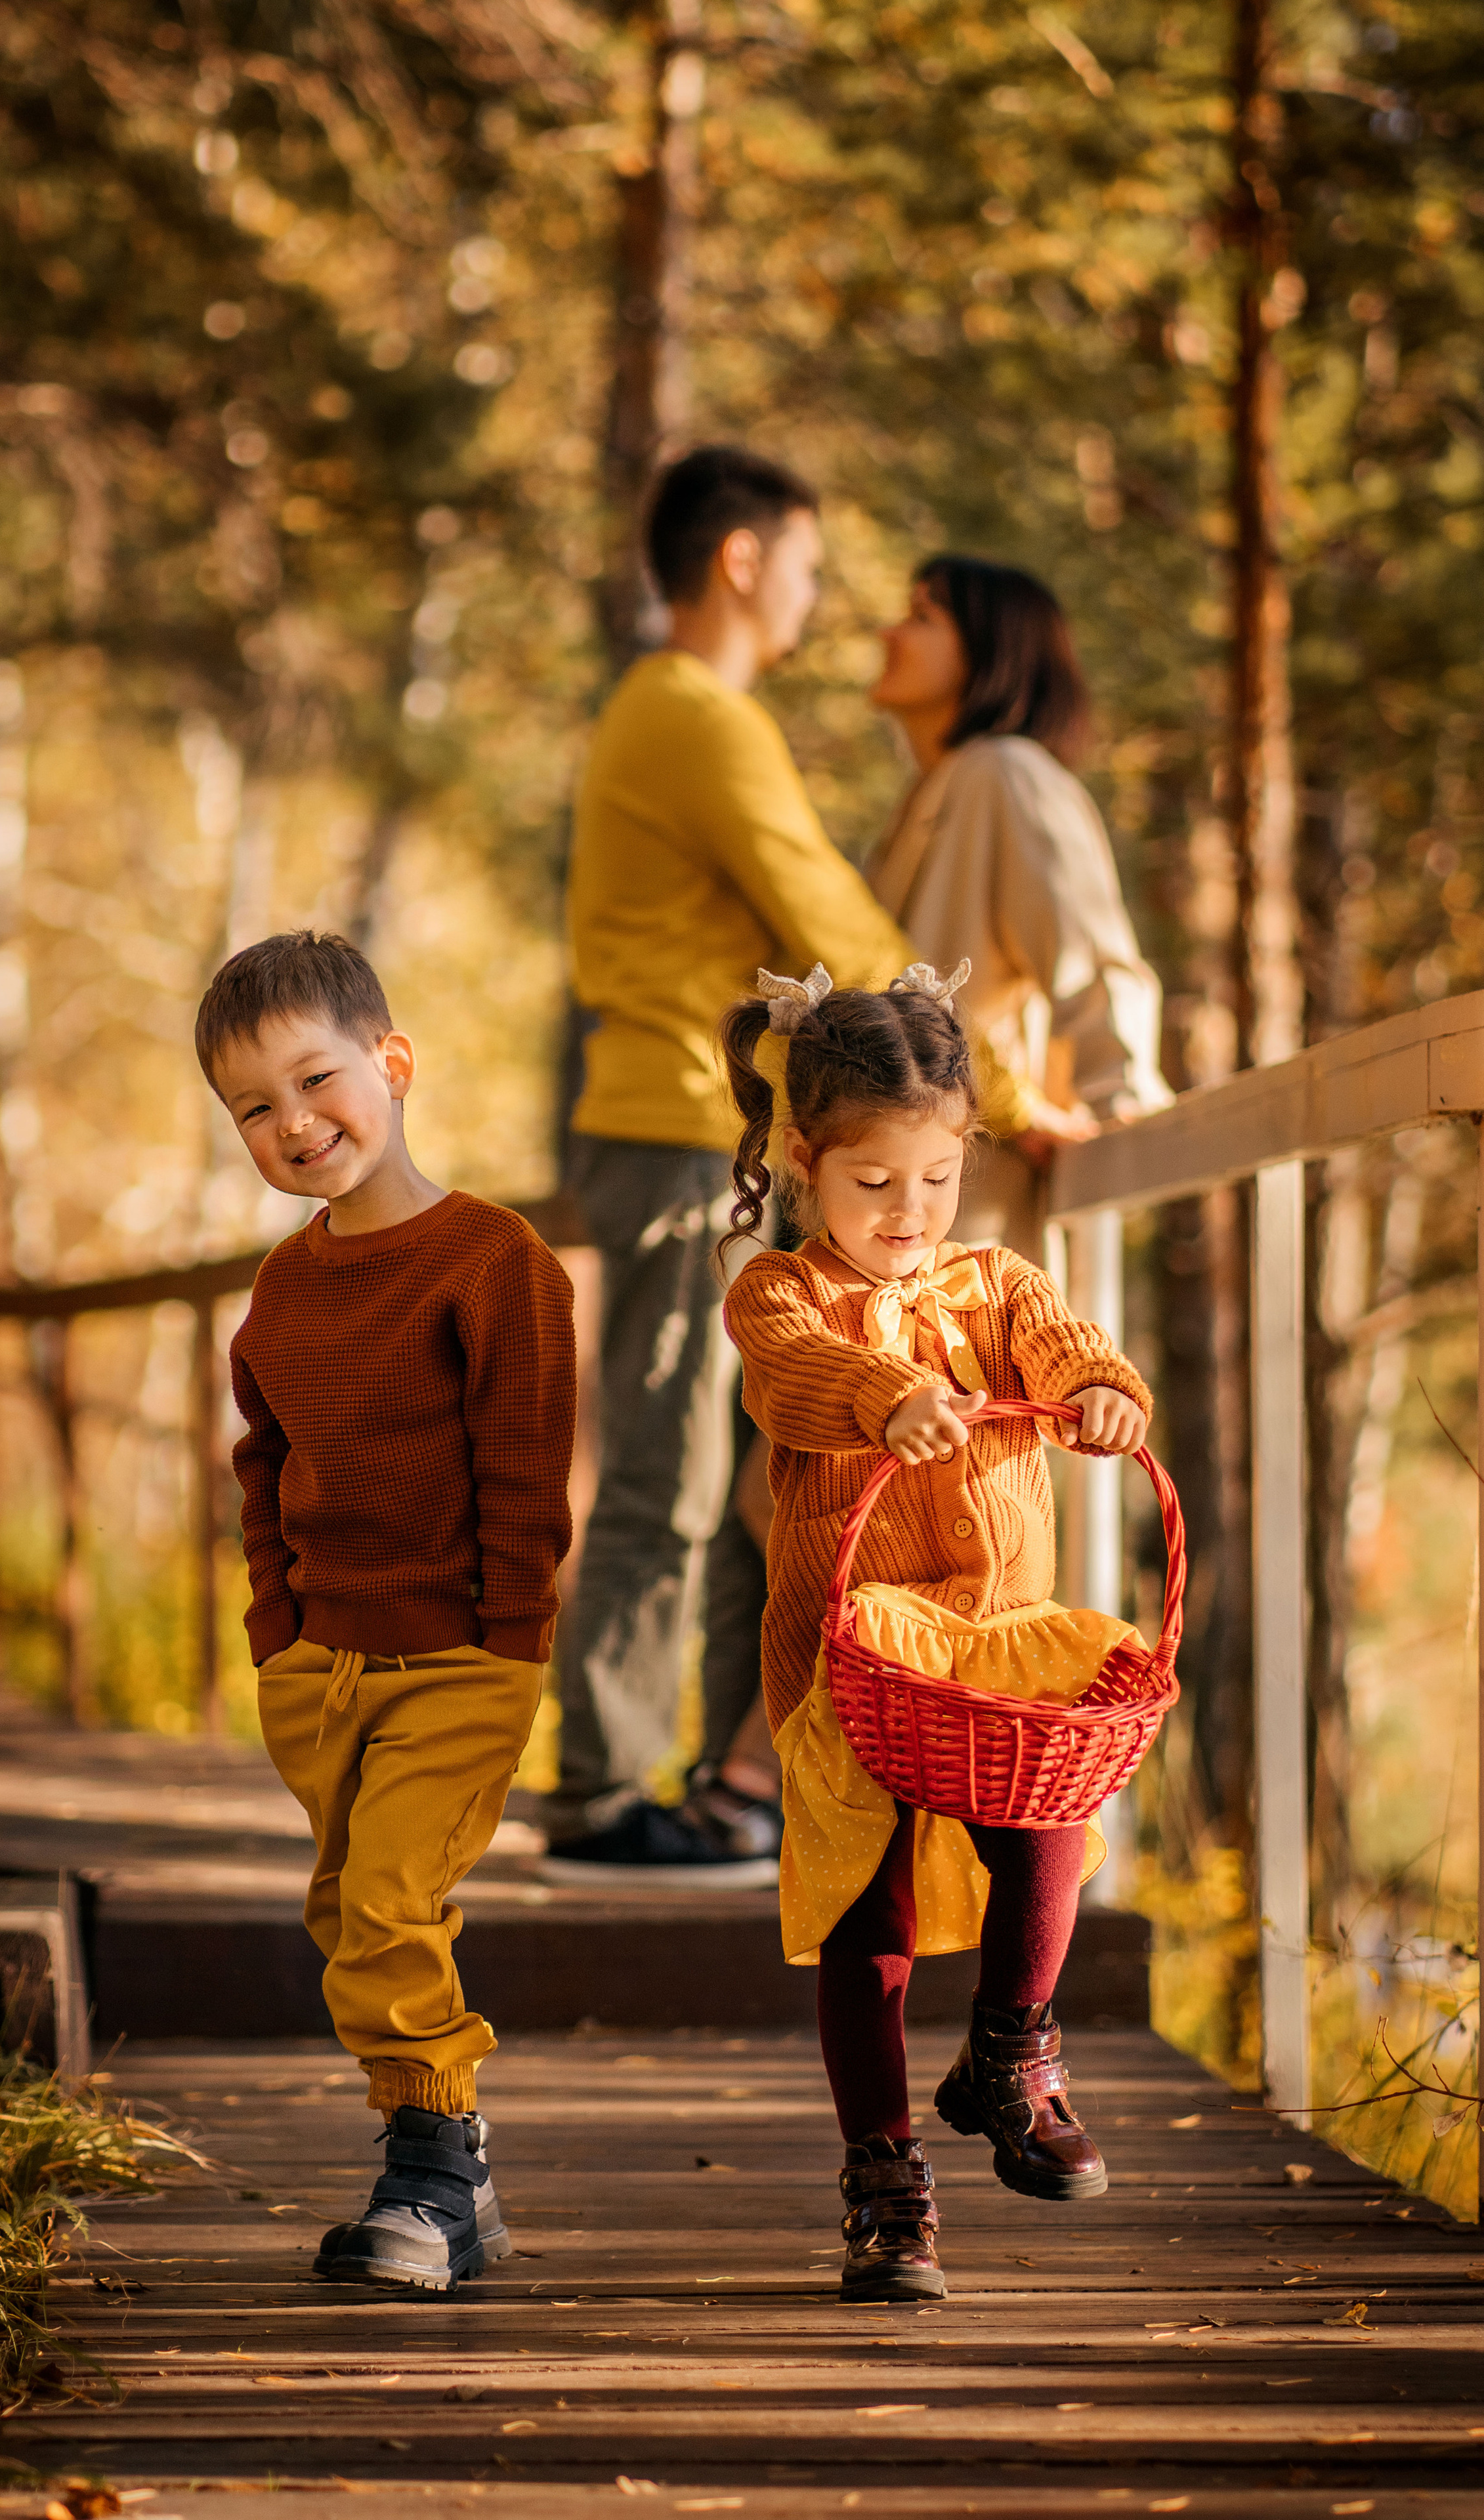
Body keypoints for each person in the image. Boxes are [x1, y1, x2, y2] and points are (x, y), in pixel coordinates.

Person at [546, 445, 954, 1885]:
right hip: (671, 1133)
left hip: (702, 1132)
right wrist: (971, 1073)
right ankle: (600, 1801)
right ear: (739, 559)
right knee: (664, 1467)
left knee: (739, 1473)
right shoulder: (690, 715)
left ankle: (716, 1793)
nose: (814, 592)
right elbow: (819, 906)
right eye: (805, 561)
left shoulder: (675, 713)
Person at [718, 961, 1152, 2298]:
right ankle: (884, 2176)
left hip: (991, 1640)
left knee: (1050, 1823)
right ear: (805, 1164)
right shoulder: (778, 1293)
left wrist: (1099, 1391)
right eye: (873, 1183)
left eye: (938, 1178)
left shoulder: (996, 1283)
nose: (909, 1212)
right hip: (852, 1653)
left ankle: (1011, 2051)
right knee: (872, 1912)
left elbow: (1065, 1339)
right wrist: (886, 1394)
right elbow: (796, 1377)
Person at [196, 930, 576, 2292]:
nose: (295, 1123)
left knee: (390, 1901)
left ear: (394, 1064)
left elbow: (525, 1468)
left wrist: (511, 1641)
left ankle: (431, 2174)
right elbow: (264, 1465)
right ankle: (454, 2179)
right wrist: (276, 1635)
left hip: (460, 1657)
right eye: (255, 1107)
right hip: (322, 1665)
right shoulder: (282, 1287)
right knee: (348, 1912)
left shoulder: (494, 1261)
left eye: (317, 1080)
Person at [864, 555, 1172, 1257]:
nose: (888, 634)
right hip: (895, 1203)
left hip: (974, 1206)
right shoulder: (931, 796)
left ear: (990, 648)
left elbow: (1085, 947)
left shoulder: (1008, 773)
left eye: (920, 617)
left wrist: (1122, 1100)